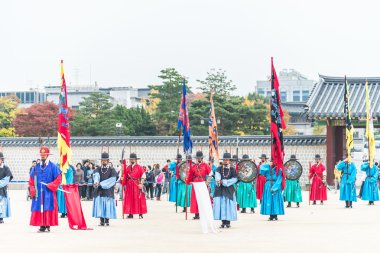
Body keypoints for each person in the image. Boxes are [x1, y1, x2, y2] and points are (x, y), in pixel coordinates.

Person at [29, 146, 62, 232]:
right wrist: (33, 189)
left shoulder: (53, 166)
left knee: (48, 207)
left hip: (49, 192)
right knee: (39, 207)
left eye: (44, 154)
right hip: (39, 193)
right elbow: (31, 180)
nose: (43, 156)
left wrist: (51, 185)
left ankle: (48, 224)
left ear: (48, 155)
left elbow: (58, 178)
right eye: (41, 154)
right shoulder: (36, 167)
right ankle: (42, 225)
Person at [213, 152, 238, 228]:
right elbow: (217, 177)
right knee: (221, 204)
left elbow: (235, 179)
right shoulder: (219, 168)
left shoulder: (233, 169)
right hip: (220, 189)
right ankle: (223, 222)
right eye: (224, 160)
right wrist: (218, 180)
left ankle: (228, 222)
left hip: (229, 189)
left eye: (227, 160)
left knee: (229, 205)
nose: (226, 161)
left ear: (230, 161)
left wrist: (224, 182)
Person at [92, 152, 117, 226]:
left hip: (108, 190)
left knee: (107, 205)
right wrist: (96, 182)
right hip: (100, 190)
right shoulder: (98, 169)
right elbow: (96, 176)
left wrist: (102, 184)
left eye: (105, 160)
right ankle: (101, 221)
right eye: (102, 160)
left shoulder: (112, 169)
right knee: (100, 205)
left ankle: (107, 220)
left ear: (108, 160)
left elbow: (112, 180)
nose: (104, 161)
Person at [186, 151, 212, 220]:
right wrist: (187, 181)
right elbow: (190, 175)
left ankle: (202, 213)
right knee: (195, 199)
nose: (198, 159)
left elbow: (211, 173)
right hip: (195, 184)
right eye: (197, 158)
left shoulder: (206, 165)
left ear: (202, 158)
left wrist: (207, 182)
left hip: (202, 183)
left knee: (202, 198)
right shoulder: (193, 166)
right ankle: (196, 214)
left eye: (200, 158)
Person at [122, 153, 147, 219]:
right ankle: (130, 213)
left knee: (138, 198)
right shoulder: (128, 167)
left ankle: (140, 213)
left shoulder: (139, 167)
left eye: (133, 159)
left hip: (136, 184)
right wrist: (122, 177)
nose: (132, 160)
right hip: (129, 185)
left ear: (136, 160)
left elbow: (143, 176)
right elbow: (125, 175)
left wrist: (141, 184)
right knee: (129, 199)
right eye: (131, 159)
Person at [0, 152, 13, 224]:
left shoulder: (6, 168)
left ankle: (0, 218)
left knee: (1, 204)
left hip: (2, 189)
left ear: (2, 160)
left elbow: (7, 179)